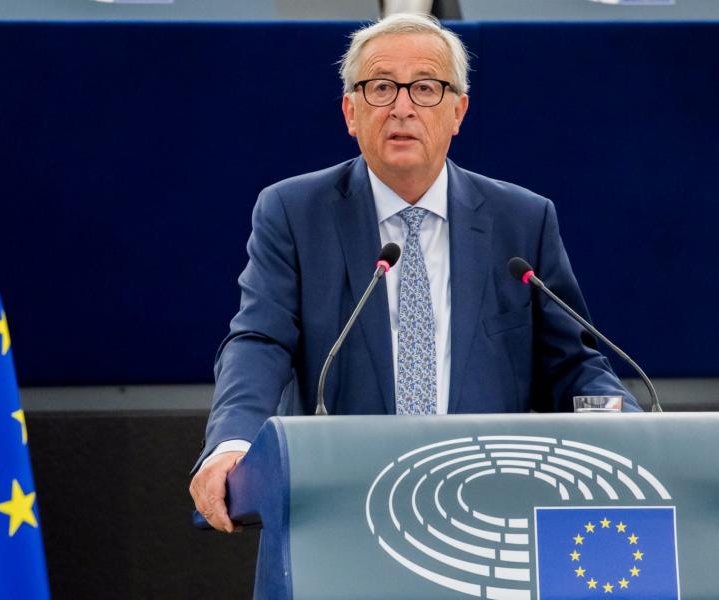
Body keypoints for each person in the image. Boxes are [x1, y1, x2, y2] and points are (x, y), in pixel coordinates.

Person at [189, 13, 639, 533]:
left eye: (425, 88)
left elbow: (572, 365)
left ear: (458, 112)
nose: (402, 107)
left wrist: (631, 435)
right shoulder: (294, 212)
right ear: (350, 112)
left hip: (491, 513)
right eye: (381, 87)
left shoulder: (522, 220)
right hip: (343, 511)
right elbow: (259, 342)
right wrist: (234, 442)